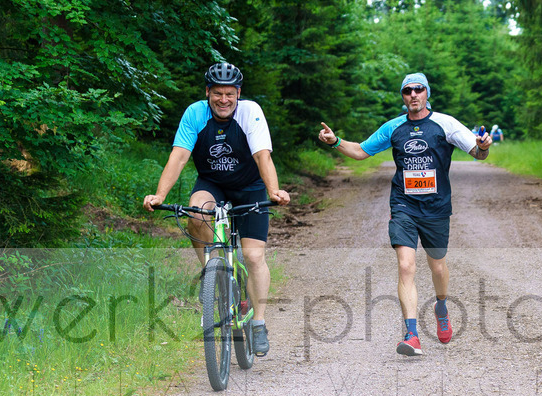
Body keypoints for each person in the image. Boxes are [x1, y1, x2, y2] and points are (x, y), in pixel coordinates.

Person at [317, 72, 492, 356]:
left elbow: (478, 152)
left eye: (418, 90)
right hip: (403, 206)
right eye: (407, 90)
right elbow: (361, 151)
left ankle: (441, 305)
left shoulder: (444, 124)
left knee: (437, 268)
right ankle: (411, 334)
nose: (413, 94)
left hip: (436, 208)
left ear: (427, 93)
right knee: (406, 266)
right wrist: (335, 141)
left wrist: (483, 147)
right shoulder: (394, 127)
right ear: (403, 96)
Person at [144, 62, 290, 356]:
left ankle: (258, 323)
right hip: (212, 183)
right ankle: (211, 274)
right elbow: (179, 157)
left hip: (249, 187)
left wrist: (273, 190)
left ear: (238, 94)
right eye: (217, 94)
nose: (224, 100)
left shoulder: (250, 113)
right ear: (207, 92)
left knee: (252, 255)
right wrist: (160, 195)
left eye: (230, 94)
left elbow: (263, 157)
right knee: (195, 214)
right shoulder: (195, 114)